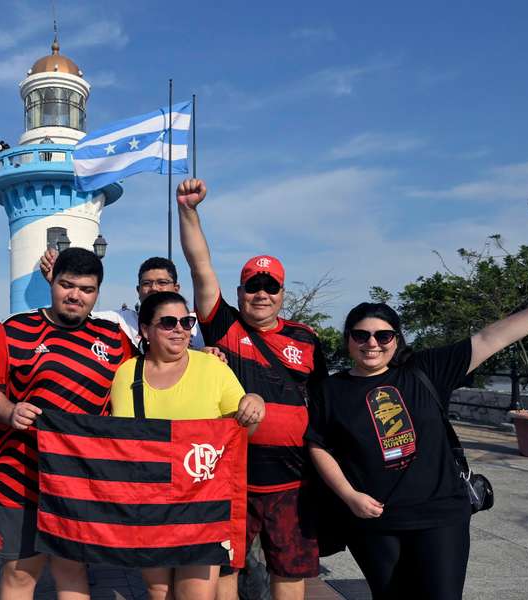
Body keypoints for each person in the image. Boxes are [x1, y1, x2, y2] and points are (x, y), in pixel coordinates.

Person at [306, 272, 528, 600]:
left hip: (440, 514)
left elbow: (492, 338)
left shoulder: (426, 370)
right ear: (348, 339)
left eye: (383, 336)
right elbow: (319, 444)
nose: (372, 344)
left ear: (397, 339)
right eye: (361, 335)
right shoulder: (330, 390)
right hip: (373, 519)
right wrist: (349, 496)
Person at [177, 178, 329, 600]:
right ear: (240, 291)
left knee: (289, 570)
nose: (261, 294)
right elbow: (199, 266)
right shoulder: (223, 325)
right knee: (227, 566)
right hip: (232, 475)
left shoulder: (307, 338)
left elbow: (324, 404)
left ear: (282, 293)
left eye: (271, 286)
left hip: (293, 479)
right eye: (253, 286)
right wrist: (189, 211)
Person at [0, 247, 137, 600]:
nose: (76, 295)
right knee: (20, 573)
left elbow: (154, 374)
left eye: (86, 289)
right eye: (67, 285)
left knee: (71, 569)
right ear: (52, 281)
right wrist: (9, 411)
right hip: (17, 476)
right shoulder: (15, 330)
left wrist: (207, 357)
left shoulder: (114, 340)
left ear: (97, 292)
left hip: (79, 480)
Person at [109, 291, 265, 600]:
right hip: (148, 507)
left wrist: (254, 404)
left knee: (195, 594)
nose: (180, 329)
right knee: (159, 592)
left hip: (202, 506)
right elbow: (119, 443)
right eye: (168, 322)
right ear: (144, 330)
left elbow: (244, 430)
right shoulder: (126, 373)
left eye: (187, 322)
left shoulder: (213, 368)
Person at [41, 251, 207, 349]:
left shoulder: (193, 325)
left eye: (162, 282)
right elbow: (77, 312)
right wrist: (57, 284)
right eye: (146, 283)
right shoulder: (120, 320)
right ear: (138, 290)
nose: (154, 288)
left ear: (176, 288)